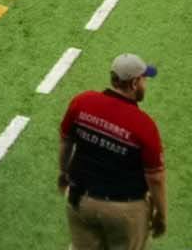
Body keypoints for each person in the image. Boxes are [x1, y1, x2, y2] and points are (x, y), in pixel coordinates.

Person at [57, 54, 167, 250]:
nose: (145, 84)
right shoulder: (144, 125)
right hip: (123, 209)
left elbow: (66, 143)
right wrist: (161, 213)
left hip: (79, 200)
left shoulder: (82, 102)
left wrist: (64, 173)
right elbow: (156, 177)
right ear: (134, 83)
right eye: (143, 79)